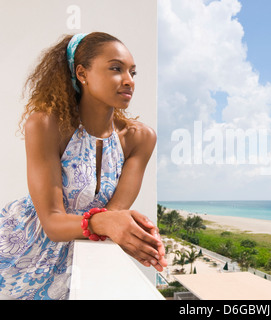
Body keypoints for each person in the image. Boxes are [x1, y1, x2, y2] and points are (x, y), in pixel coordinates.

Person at [0, 32, 167, 300]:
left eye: (133, 73)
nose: (128, 80)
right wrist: (111, 223)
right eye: (116, 69)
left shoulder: (140, 139)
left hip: (79, 256)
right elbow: (53, 223)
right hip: (18, 253)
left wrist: (136, 234)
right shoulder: (46, 125)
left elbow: (113, 216)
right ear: (82, 73)